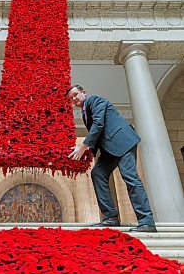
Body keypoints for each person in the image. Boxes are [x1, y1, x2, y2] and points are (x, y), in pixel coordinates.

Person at [67, 85, 156, 233]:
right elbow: (96, 135)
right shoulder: (84, 113)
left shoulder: (95, 101)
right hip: (109, 148)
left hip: (123, 142)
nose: (74, 99)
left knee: (130, 177)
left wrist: (83, 146)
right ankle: (110, 217)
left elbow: (99, 124)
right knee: (98, 174)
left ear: (84, 92)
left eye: (75, 94)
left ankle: (147, 222)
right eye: (71, 98)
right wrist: (89, 155)